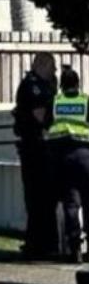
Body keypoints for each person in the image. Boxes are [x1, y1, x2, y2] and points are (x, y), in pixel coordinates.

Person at [12, 52, 59, 259]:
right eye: (52, 67)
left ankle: (44, 242)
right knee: (38, 197)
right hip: (34, 148)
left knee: (45, 198)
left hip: (41, 148)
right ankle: (39, 243)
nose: (54, 72)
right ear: (41, 65)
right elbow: (40, 116)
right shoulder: (34, 85)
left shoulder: (45, 84)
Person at [47, 66, 89, 263]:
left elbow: (45, 123)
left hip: (62, 157)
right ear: (78, 84)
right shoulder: (86, 101)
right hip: (85, 155)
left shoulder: (55, 102)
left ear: (62, 85)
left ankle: (75, 248)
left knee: (71, 203)